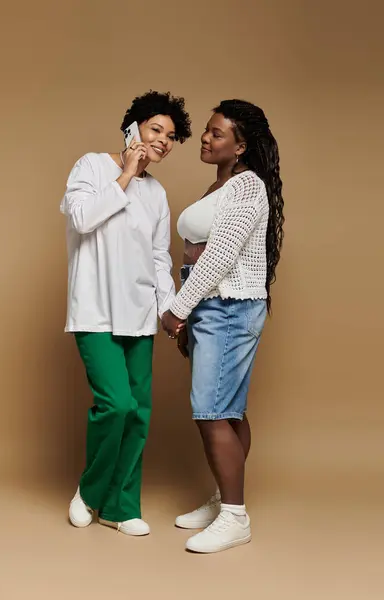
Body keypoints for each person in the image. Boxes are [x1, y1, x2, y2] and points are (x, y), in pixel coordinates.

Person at [61, 91, 191, 536]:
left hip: (138, 315)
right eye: (156, 129)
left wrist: (169, 309)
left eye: (171, 136)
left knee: (138, 412)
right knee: (115, 404)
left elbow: (158, 257)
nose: (164, 141)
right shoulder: (92, 167)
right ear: (132, 128)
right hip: (95, 310)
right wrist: (127, 173)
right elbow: (81, 218)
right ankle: (90, 492)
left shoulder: (157, 194)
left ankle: (120, 507)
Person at [162, 99, 284, 553]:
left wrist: (178, 308)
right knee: (226, 409)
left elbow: (219, 255)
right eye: (207, 131)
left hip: (228, 305)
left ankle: (235, 517)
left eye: (217, 133)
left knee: (212, 410)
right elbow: (198, 254)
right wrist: (191, 310)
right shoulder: (221, 185)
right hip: (211, 304)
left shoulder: (247, 186)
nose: (206, 139)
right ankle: (222, 502)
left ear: (241, 145)